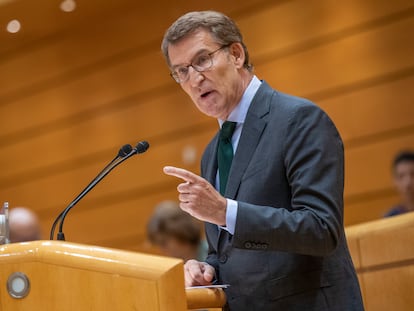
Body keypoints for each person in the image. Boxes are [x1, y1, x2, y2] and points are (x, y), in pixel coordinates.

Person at [160, 10, 364, 310]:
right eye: (182, 71)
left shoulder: (299, 120)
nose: (194, 78)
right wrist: (208, 268)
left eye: (202, 60)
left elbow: (322, 229)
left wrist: (224, 211)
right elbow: (227, 248)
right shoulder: (212, 151)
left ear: (236, 54)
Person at [384, 150, 414, 217]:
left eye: (413, 174)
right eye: (401, 176)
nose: (408, 182)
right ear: (395, 182)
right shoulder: (390, 218)